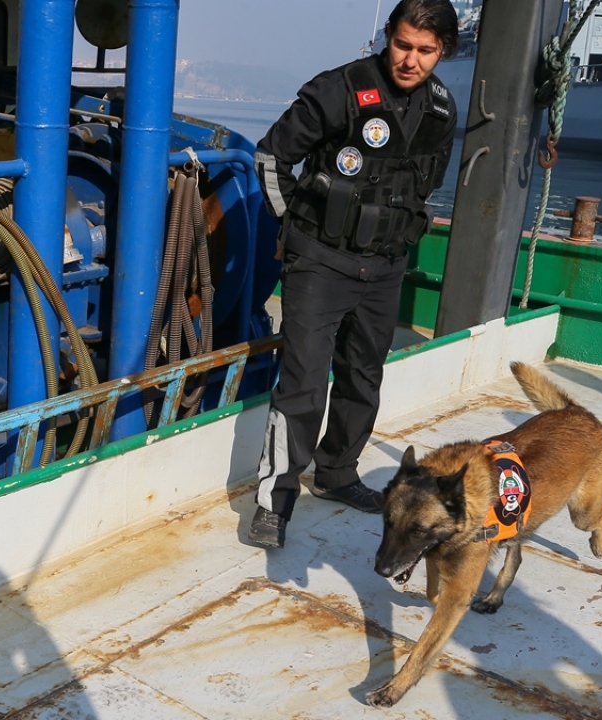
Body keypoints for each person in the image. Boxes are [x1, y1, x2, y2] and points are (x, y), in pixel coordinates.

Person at [247, 0, 459, 548]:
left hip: (386, 267)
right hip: (320, 262)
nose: (411, 60)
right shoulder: (336, 90)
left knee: (364, 377)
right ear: (386, 37)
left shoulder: (440, 110)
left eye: (426, 51)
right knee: (303, 382)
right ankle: (274, 502)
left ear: (444, 52)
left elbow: (423, 183)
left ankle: (338, 473)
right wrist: (296, 228)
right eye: (403, 45)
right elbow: (270, 157)